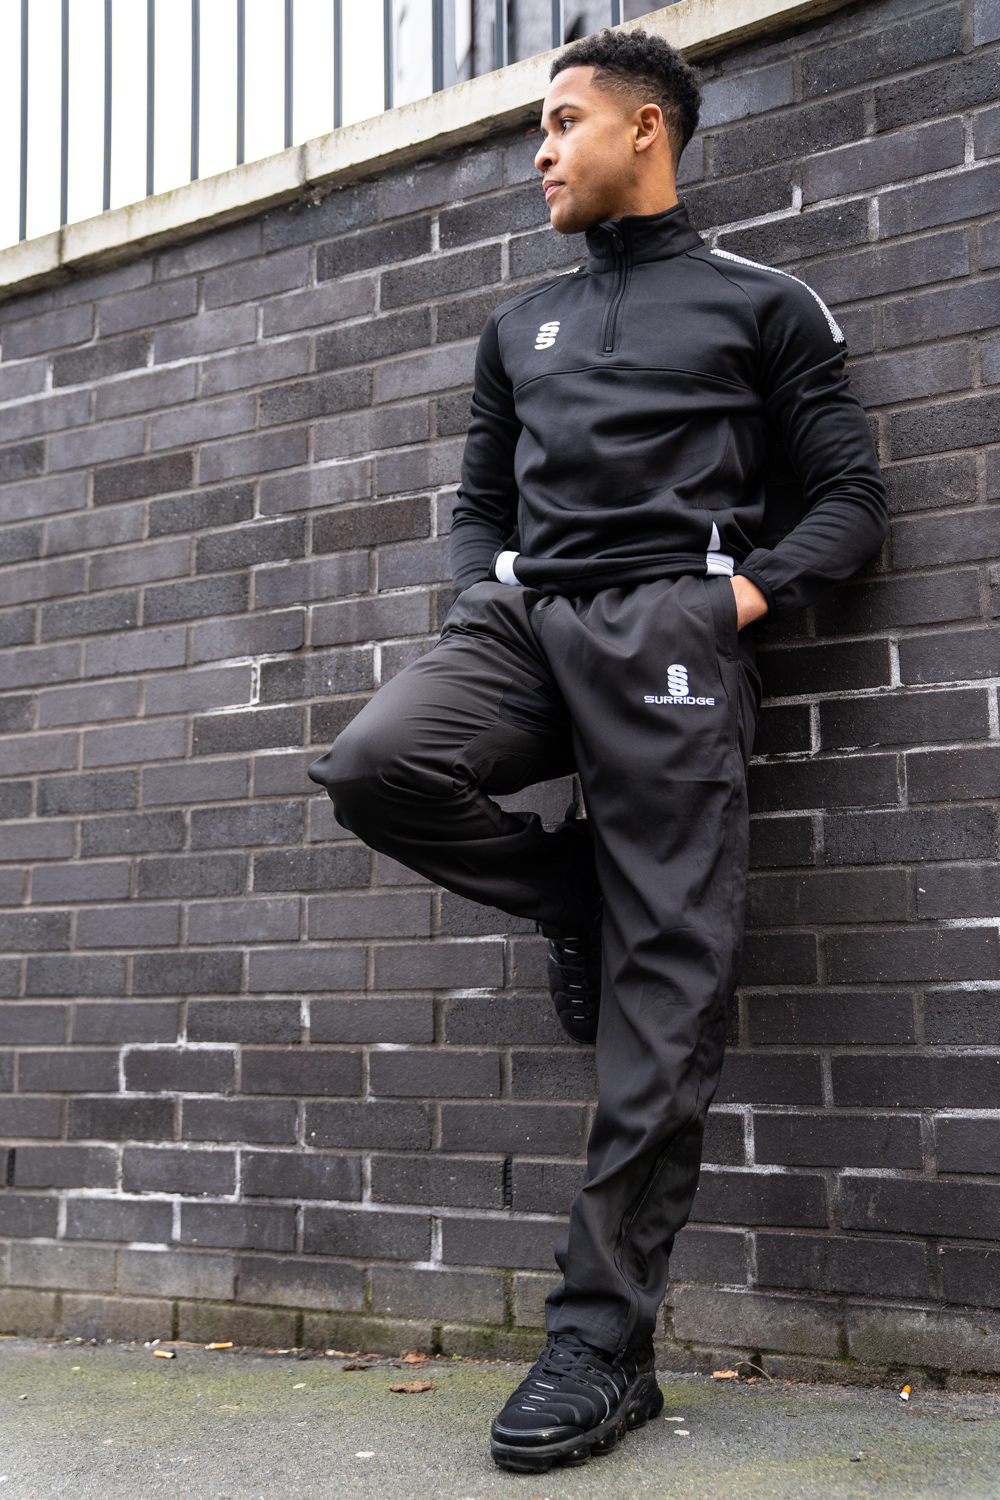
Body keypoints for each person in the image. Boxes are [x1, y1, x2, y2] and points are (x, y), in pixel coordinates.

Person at [309, 26, 886, 1475]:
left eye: (563, 122)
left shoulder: (763, 304)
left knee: (663, 1004)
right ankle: (580, 897)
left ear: (647, 128)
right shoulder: (521, 326)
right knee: (377, 765)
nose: (540, 152)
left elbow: (851, 503)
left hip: (672, 637)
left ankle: (603, 1345)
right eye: (538, 126)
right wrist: (478, 602)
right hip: (526, 628)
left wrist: (729, 602)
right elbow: (477, 505)